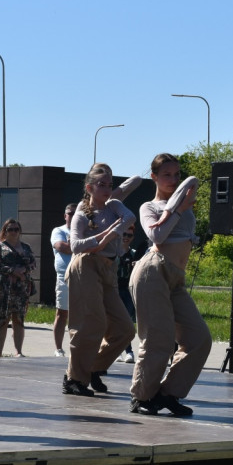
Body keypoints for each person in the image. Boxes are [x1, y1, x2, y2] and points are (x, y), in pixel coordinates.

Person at [128, 153, 209, 416]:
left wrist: (181, 208)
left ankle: (167, 393)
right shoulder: (149, 207)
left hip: (176, 278)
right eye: (167, 175)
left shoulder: (182, 205)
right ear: (154, 177)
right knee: (157, 340)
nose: (173, 180)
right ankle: (141, 398)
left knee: (199, 339)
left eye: (177, 175)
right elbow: (157, 235)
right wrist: (177, 210)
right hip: (153, 271)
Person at [63, 163, 136, 396]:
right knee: (89, 324)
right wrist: (103, 237)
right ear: (89, 188)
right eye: (101, 185)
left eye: (109, 184)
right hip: (85, 266)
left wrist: (116, 192)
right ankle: (74, 378)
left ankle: (93, 368)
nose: (106, 188)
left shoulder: (114, 205)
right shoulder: (82, 214)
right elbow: (75, 246)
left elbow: (131, 210)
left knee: (124, 329)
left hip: (108, 269)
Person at [0, 218, 36, 357]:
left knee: (19, 319)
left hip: (21, 288)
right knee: (2, 319)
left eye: (16, 229)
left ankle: (18, 351)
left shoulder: (26, 247)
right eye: (11, 229)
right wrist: (13, 271)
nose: (14, 232)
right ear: (5, 231)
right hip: (3, 288)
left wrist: (23, 271)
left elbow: (33, 262)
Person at [50, 203, 76, 357]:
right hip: (64, 277)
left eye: (75, 213)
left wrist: (75, 244)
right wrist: (81, 246)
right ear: (65, 215)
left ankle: (76, 347)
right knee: (62, 313)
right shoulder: (58, 230)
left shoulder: (83, 231)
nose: (72, 215)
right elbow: (61, 246)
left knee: (80, 314)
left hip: (83, 276)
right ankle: (58, 349)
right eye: (70, 213)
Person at [115, 223, 138, 363]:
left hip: (129, 290)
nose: (126, 238)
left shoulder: (134, 254)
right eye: (124, 234)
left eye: (129, 235)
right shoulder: (114, 252)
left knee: (128, 322)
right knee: (115, 321)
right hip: (115, 289)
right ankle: (116, 350)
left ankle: (128, 351)